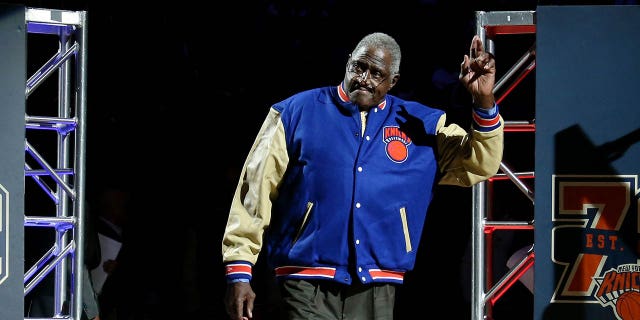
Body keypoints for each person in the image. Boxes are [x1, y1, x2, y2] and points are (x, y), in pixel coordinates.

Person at [221, 32, 503, 320]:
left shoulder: (422, 124)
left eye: (377, 73)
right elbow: (253, 192)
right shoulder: (295, 112)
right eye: (359, 67)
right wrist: (239, 271)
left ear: (393, 82)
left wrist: (484, 103)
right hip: (305, 277)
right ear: (347, 63)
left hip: (377, 281)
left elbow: (481, 163)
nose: (364, 78)